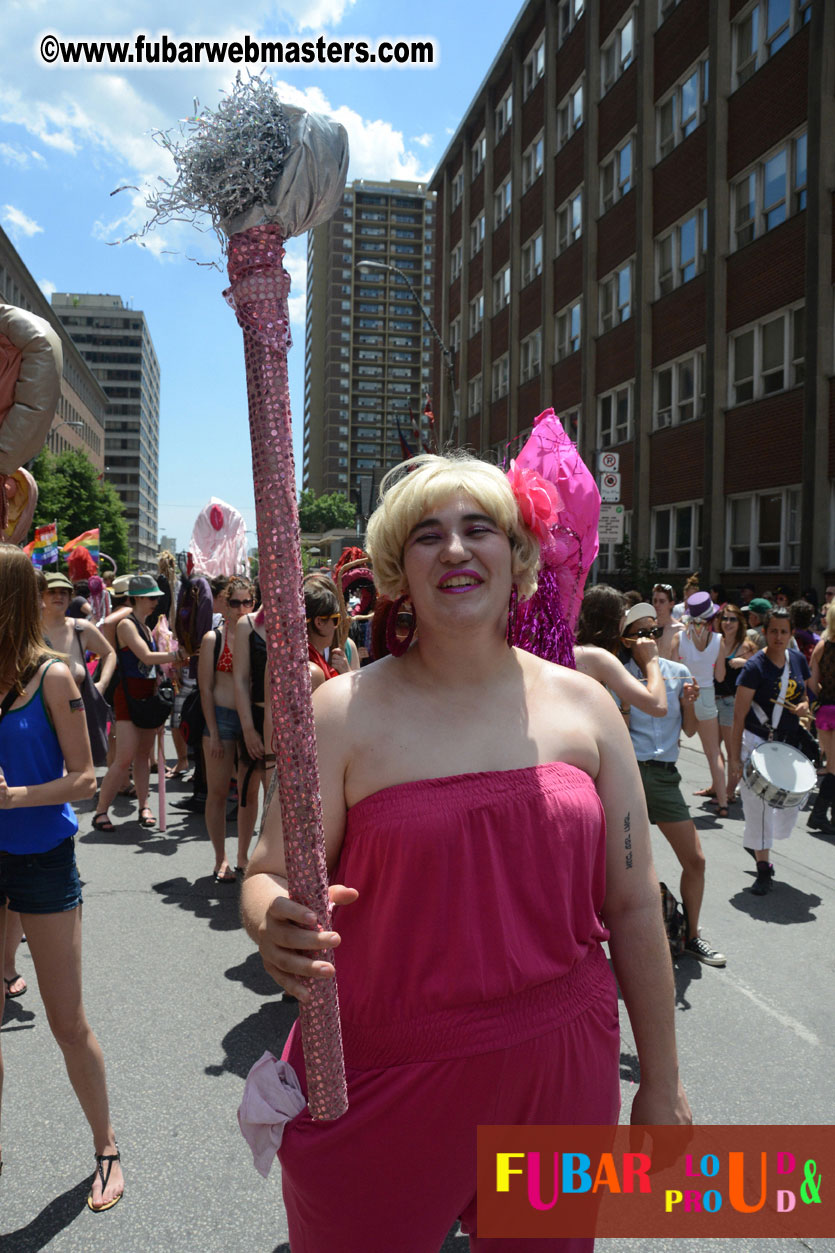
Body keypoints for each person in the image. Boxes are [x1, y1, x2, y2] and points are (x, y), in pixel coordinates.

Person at [241, 452, 690, 1253]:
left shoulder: (585, 705)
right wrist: (270, 916)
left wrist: (660, 1081)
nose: (454, 548)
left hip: (560, 1063)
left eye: (478, 528)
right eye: (427, 534)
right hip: (381, 1074)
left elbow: (629, 902)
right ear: (394, 568)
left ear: (516, 556)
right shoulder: (341, 711)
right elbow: (269, 866)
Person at [0, 543, 124, 1210]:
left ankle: (105, 1145)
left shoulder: (51, 677)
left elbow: (84, 778)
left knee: (66, 1021)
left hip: (43, 859)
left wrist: (13, 796)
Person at [621, 605, 726, 966]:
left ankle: (692, 936)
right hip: (629, 774)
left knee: (695, 859)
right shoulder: (618, 674)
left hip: (665, 776)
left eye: (655, 630)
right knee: (622, 866)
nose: (650, 638)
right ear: (627, 639)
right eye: (641, 632)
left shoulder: (678, 673)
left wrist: (689, 704)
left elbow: (691, 730)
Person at [729, 608, 812, 895]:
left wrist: (804, 706)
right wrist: (735, 759)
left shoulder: (798, 660)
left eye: (784, 632)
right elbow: (738, 717)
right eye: (773, 631)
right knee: (759, 808)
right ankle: (764, 869)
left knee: (789, 806)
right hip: (756, 742)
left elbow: (805, 693)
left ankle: (756, 841)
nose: (779, 637)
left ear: (791, 634)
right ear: (765, 632)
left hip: (787, 745)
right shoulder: (755, 667)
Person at [92, 575, 180, 832]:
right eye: (152, 598)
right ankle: (100, 812)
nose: (155, 603)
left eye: (157, 598)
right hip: (128, 695)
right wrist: (179, 655)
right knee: (124, 758)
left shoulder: (144, 625)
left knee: (143, 757)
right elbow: (146, 656)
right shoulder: (127, 625)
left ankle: (144, 805)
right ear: (138, 598)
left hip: (146, 695)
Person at [198, 577, 258, 882]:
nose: (242, 608)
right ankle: (220, 858)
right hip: (220, 718)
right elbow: (205, 689)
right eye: (235, 602)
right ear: (225, 603)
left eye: (248, 602)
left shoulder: (258, 636)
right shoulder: (214, 638)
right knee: (218, 792)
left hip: (252, 719)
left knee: (248, 793)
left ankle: (243, 856)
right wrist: (214, 732)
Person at [672, 591, 729, 816]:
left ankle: (670, 796)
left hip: (685, 693)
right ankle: (723, 802)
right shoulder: (718, 640)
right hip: (706, 693)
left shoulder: (680, 638)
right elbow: (722, 676)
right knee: (713, 751)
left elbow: (675, 671)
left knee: (673, 744)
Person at [574, 587, 668, 719]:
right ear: (611, 621)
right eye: (623, 616)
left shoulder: (574, 650)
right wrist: (651, 660)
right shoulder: (598, 657)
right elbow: (658, 706)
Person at [40, 571, 116, 708]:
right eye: (52, 592)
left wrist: (102, 684)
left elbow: (109, 653)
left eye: (64, 592)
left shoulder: (82, 628)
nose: (58, 596)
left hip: (76, 715)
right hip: (36, 718)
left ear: (70, 598)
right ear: (41, 597)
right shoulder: (28, 630)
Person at [233, 601, 274, 858]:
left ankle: (268, 858)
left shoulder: (299, 619)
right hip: (255, 715)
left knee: (278, 795)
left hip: (288, 721)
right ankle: (241, 857)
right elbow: (239, 679)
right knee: (248, 791)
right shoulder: (247, 624)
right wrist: (248, 729)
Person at [713, 604, 756, 801]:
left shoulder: (745, 647)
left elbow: (759, 672)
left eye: (732, 619)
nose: (728, 623)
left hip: (733, 702)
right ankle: (718, 785)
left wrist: (744, 663)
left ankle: (729, 791)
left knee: (733, 751)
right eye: (725, 619)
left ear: (740, 623)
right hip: (715, 700)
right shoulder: (717, 642)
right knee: (714, 748)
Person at [807, 602, 835, 834]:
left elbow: (812, 683)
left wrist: (818, 703)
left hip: (825, 712)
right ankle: (818, 815)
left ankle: (829, 816)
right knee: (834, 769)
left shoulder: (822, 646)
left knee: (833, 767)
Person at [304, 578, 350, 690]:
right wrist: (347, 675)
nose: (336, 626)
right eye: (335, 619)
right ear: (319, 622)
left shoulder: (287, 654)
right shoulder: (313, 672)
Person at [651, 582, 683, 659]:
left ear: (671, 604)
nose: (657, 605)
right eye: (655, 601)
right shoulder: (649, 627)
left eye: (661, 601)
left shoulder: (679, 630)